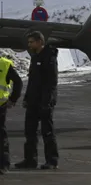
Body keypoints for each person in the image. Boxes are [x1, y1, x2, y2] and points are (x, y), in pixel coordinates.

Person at [14, 31, 59, 170]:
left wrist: (47, 101)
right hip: (33, 100)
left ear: (40, 42)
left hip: (45, 101)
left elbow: (52, 82)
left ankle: (52, 161)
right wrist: (27, 98)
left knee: (47, 131)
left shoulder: (49, 57)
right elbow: (32, 80)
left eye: (31, 42)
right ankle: (30, 160)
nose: (29, 45)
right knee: (30, 132)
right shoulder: (35, 57)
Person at [0, 56, 23, 175]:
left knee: (1, 136)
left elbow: (18, 82)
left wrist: (13, 99)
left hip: (0, 104)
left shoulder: (4, 64)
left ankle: (3, 164)